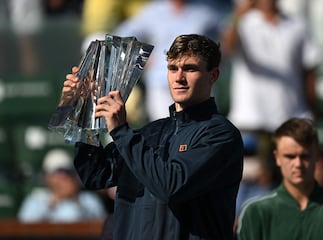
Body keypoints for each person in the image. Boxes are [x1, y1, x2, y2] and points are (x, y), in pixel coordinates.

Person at [61, 34, 243, 239]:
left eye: (190, 68)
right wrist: (86, 108)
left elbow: (170, 186)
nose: (179, 77)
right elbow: (95, 174)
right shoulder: (150, 132)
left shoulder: (220, 134)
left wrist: (121, 131)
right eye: (173, 68)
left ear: (213, 75)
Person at [221, 0, 323, 162]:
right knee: (248, 183)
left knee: (293, 177)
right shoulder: (242, 23)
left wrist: (313, 108)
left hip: (291, 119)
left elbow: (309, 69)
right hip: (250, 120)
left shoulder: (298, 25)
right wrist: (239, 13)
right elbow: (226, 50)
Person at [236, 118, 323, 240]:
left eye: (304, 156)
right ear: (277, 157)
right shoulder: (256, 212)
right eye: (290, 156)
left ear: (316, 155)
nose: (298, 164)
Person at [113, 0, 223, 121]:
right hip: (160, 83)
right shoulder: (153, 11)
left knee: (200, 127)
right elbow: (122, 36)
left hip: (196, 83)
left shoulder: (207, 10)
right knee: (166, 131)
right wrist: (142, 58)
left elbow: (226, 37)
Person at [17, 148, 107, 223]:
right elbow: (26, 229)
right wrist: (56, 200)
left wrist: (75, 200)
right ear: (47, 177)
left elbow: (101, 226)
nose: (63, 176)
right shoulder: (36, 200)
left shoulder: (89, 199)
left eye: (67, 171)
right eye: (58, 172)